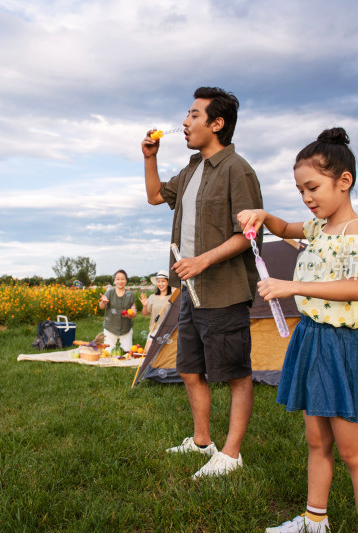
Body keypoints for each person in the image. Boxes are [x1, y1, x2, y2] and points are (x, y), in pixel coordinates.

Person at [237, 127, 358, 533]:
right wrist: (263, 216)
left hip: (339, 347)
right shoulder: (317, 228)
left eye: (312, 187)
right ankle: (314, 520)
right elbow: (286, 228)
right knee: (316, 441)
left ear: (344, 181)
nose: (306, 198)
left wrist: (293, 286)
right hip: (310, 340)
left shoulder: (355, 230)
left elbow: (357, 288)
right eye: (300, 190)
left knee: (354, 453)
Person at [142, 86, 263, 479]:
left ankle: (231, 454)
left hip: (223, 290)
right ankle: (201, 442)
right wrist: (150, 158)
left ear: (217, 123)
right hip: (190, 292)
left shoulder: (237, 169)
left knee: (235, 373)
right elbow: (155, 196)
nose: (184, 122)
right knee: (190, 370)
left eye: (194, 115)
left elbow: (251, 234)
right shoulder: (192, 169)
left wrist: (203, 260)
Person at [98, 270, 136, 351]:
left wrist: (130, 315)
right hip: (110, 328)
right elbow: (101, 307)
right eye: (117, 279)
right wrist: (103, 302)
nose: (120, 281)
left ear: (126, 280)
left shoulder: (130, 295)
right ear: (114, 281)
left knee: (127, 353)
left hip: (126, 329)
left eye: (122, 279)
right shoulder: (109, 293)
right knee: (107, 352)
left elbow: (134, 311)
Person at [139, 270, 172, 337]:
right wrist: (145, 306)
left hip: (169, 331)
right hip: (154, 331)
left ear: (168, 282)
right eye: (158, 281)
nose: (160, 284)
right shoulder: (152, 297)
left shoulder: (172, 297)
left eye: (163, 281)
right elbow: (144, 314)